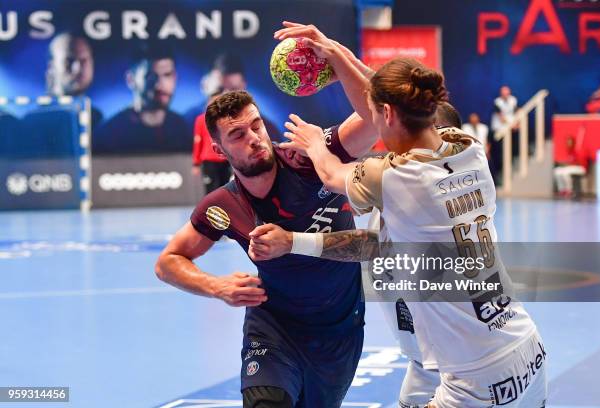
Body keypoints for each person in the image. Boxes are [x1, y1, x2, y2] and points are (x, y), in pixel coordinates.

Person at [249, 23, 547, 408]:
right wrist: (335, 54)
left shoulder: (394, 178)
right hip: (525, 345)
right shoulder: (468, 148)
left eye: (374, 114)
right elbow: (392, 102)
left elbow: (330, 173)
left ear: (387, 113)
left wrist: (315, 143)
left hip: (476, 377)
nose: (370, 120)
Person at [156, 89, 378, 408]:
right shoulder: (223, 206)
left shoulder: (310, 159)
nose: (254, 138)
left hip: (338, 330)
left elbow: (375, 115)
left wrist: (333, 54)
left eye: (256, 125)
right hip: (273, 328)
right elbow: (168, 261)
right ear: (218, 150)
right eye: (237, 134)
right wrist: (216, 286)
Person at [93, 46, 190, 155]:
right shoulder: (109, 134)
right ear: (130, 80)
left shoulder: (184, 129)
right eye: (150, 76)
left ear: (175, 77)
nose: (159, 85)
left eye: (167, 75)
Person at [185, 54, 283, 142]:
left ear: (244, 86)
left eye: (234, 91)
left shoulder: (268, 131)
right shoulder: (187, 124)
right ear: (206, 85)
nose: (226, 98)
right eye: (219, 89)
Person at [46, 32, 102, 128]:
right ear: (52, 67)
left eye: (84, 60)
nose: (77, 69)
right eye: (69, 61)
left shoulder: (98, 120)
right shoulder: (37, 121)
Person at [192, 91, 233, 194]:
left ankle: (225, 210)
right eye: (213, 101)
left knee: (226, 189)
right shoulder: (201, 119)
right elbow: (198, 141)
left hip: (225, 159)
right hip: (209, 161)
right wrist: (196, 163)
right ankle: (211, 209)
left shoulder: (227, 118)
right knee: (211, 190)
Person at [553, 132, 587, 198]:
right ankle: (562, 190)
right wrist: (563, 163)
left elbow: (578, 163)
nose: (568, 144)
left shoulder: (578, 150)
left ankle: (569, 190)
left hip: (581, 168)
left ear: (573, 142)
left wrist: (567, 164)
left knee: (565, 172)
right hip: (572, 167)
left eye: (570, 142)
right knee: (557, 171)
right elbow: (569, 161)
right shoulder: (569, 151)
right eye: (567, 142)